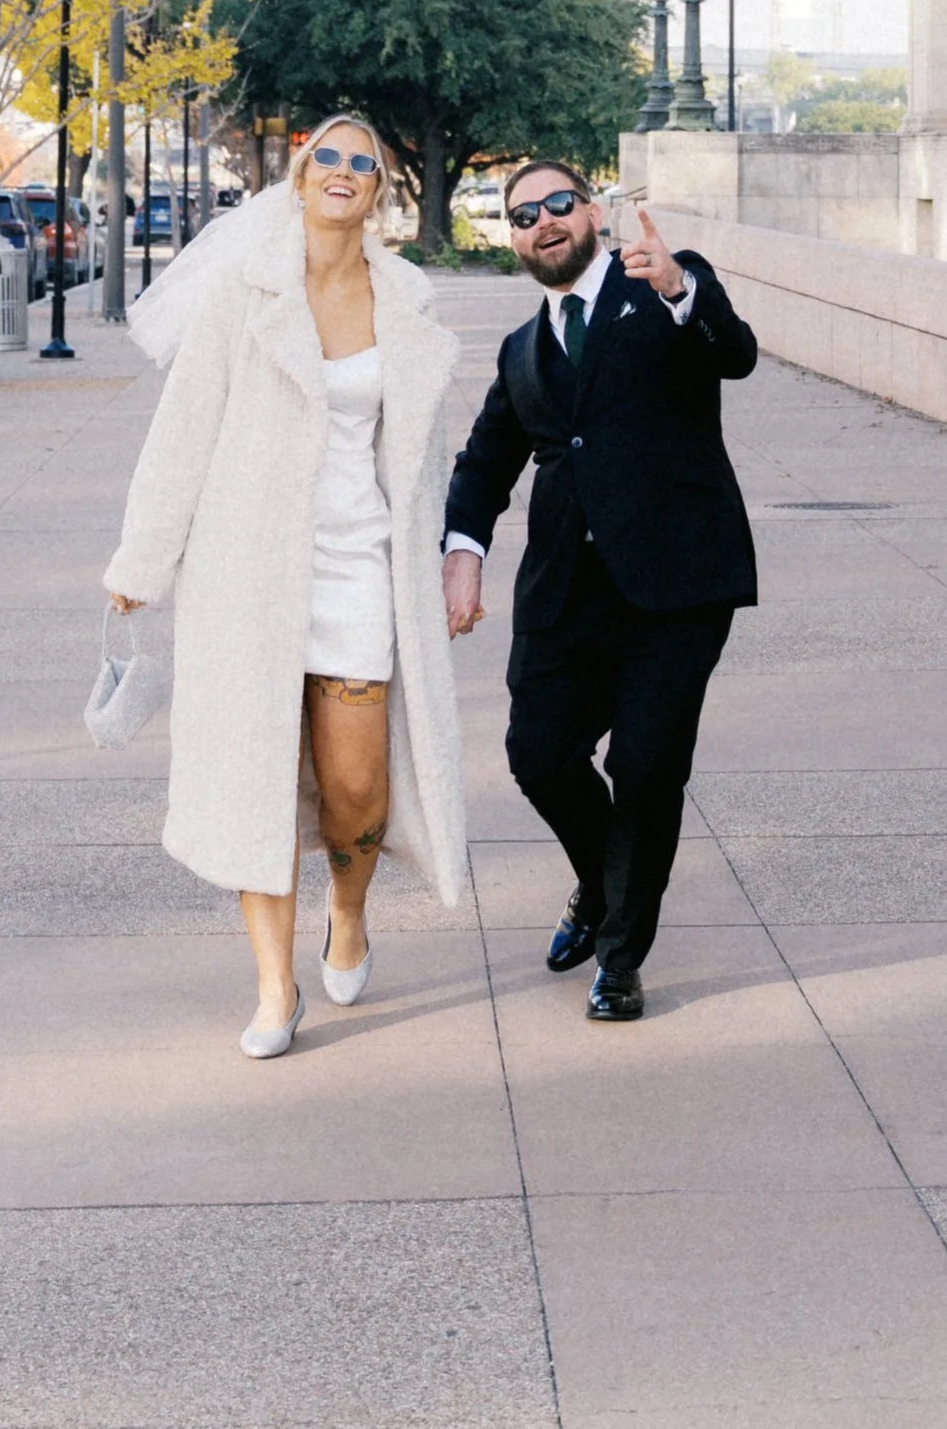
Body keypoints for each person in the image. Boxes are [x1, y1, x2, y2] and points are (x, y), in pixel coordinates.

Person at [106, 117, 467, 1057]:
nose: (345, 173)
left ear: (381, 190)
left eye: (365, 163)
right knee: (251, 777)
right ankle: (274, 987)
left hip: (361, 568)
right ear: (300, 180)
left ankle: (348, 912)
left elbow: (425, 460)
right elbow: (182, 432)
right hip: (247, 569)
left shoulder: (406, 302)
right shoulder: (244, 294)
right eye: (329, 160)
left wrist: (441, 562)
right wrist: (141, 564)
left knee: (357, 786)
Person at [443, 167, 757, 1022]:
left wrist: (684, 291)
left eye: (555, 204)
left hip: (678, 583)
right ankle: (598, 881)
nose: (540, 223)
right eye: (520, 217)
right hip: (566, 592)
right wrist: (462, 551)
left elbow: (737, 355)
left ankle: (620, 959)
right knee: (538, 753)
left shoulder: (661, 280)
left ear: (590, 212)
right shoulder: (521, 350)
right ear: (511, 238)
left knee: (647, 769)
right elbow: (483, 462)